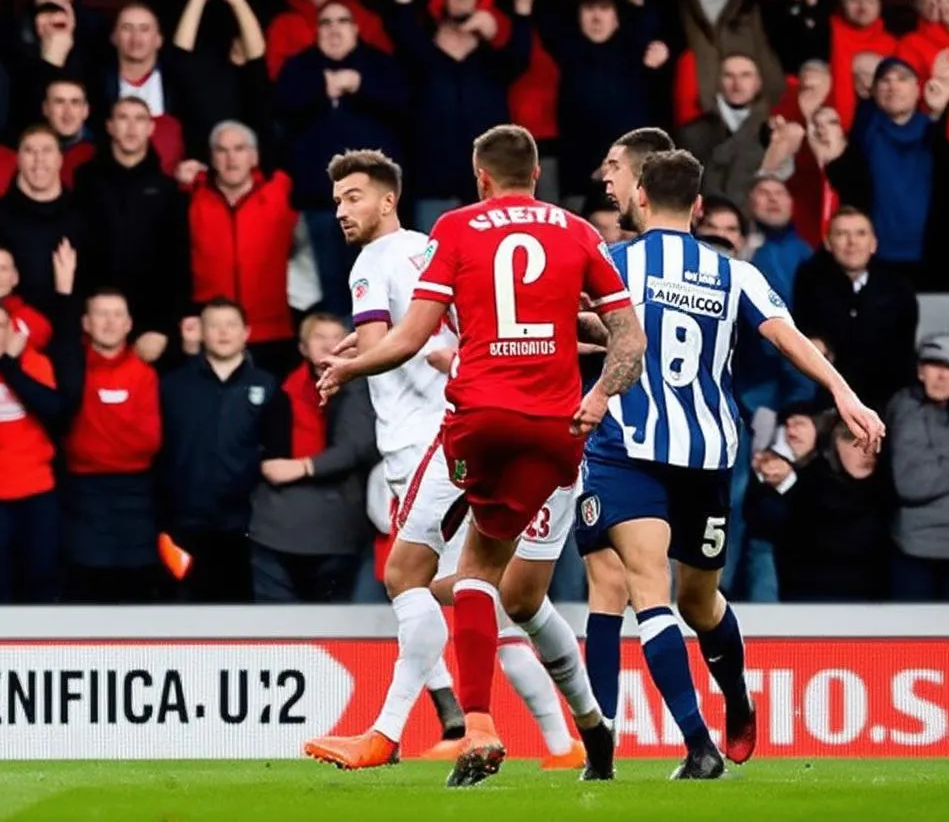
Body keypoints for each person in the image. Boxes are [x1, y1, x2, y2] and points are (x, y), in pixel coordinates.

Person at [317, 125, 648, 786]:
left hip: (475, 431)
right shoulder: (579, 232)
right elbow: (623, 333)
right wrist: (602, 393)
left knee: (429, 574)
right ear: (537, 173)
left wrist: (345, 370)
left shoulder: (456, 230)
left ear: (481, 177)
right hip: (559, 433)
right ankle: (586, 730)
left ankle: (464, 724)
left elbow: (414, 335)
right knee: (518, 596)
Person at [573, 149, 885, 779]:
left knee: (684, 600)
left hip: (635, 440)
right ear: (696, 208)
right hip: (706, 451)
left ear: (637, 201)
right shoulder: (733, 273)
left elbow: (595, 325)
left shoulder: (612, 262)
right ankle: (686, 743)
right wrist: (844, 393)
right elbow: (787, 337)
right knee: (655, 590)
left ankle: (724, 708)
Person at [580, 126, 674, 735]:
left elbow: (627, 342)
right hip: (696, 444)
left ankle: (692, 736)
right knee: (615, 584)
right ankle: (606, 734)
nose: (603, 178)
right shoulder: (714, 266)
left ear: (640, 182)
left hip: (626, 439)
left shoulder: (613, 261)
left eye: (613, 167)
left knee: (642, 590)